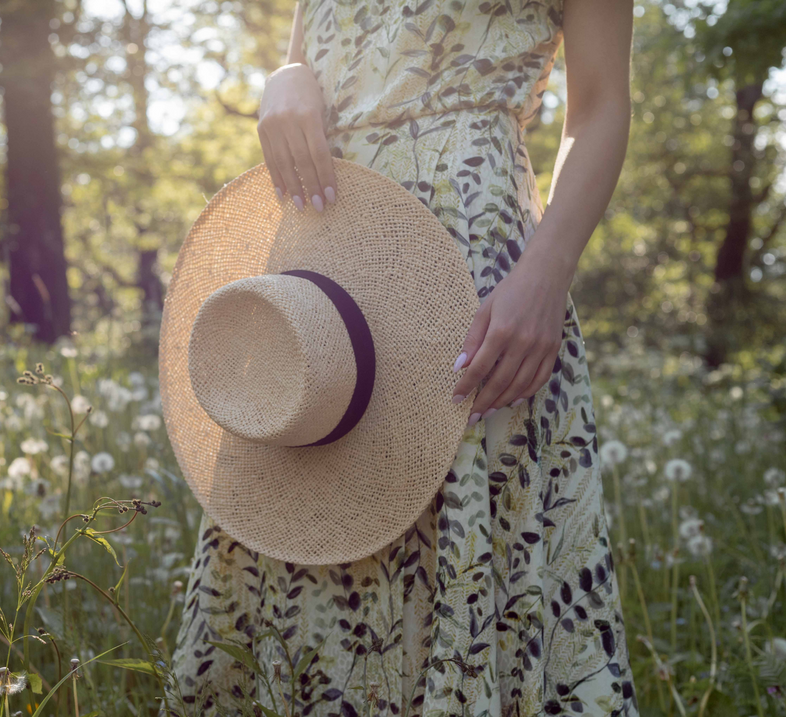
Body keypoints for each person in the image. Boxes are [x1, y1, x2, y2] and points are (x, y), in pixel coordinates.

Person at [170, 0, 637, 714]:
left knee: (470, 534)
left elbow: (600, 106)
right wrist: (284, 78)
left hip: (474, 255)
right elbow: (308, 47)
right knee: (306, 517)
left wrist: (548, 270)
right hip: (325, 250)